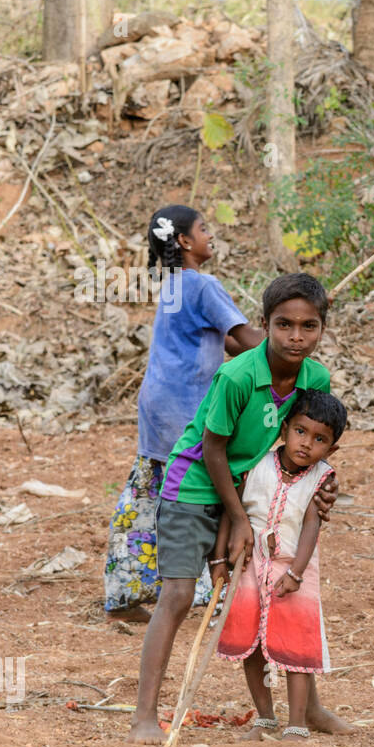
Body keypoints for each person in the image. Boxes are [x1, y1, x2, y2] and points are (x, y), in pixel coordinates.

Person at [125, 273, 349, 744]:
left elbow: (313, 441)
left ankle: (308, 709)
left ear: (323, 328)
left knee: (279, 594)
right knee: (180, 596)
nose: (296, 337)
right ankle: (144, 714)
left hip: (254, 494)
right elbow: (213, 448)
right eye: (284, 325)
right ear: (264, 324)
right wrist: (238, 517)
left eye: (309, 326)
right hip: (196, 488)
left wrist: (320, 488)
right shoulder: (237, 375)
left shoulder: (316, 378)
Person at [104, 205, 263, 624]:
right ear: (184, 242)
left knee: (150, 490)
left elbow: (224, 342)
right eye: (203, 229)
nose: (212, 235)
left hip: (157, 403)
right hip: (186, 406)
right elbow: (248, 341)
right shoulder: (204, 285)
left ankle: (126, 590)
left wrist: (272, 334)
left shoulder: (173, 284)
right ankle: (213, 591)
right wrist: (298, 330)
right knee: (206, 488)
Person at [215, 390, 347, 743]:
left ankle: (298, 723)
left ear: (331, 449)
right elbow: (236, 511)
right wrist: (221, 557)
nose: (306, 444)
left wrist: (296, 573)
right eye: (300, 432)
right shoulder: (257, 464)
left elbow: (311, 526)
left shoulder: (321, 478)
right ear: (285, 428)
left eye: (320, 440)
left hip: (292, 571)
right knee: (252, 643)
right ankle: (265, 718)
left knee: (294, 646)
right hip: (249, 565)